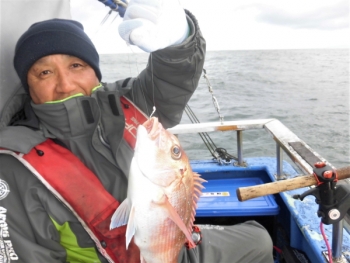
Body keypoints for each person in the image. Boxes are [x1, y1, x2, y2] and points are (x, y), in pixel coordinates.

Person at [0, 0, 273, 262]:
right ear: (28, 85)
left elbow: (171, 75)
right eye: (44, 73)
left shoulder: (128, 101)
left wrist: (180, 40)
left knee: (260, 240)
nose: (65, 84)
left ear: (95, 72)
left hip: (169, 247)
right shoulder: (13, 165)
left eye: (76, 65)